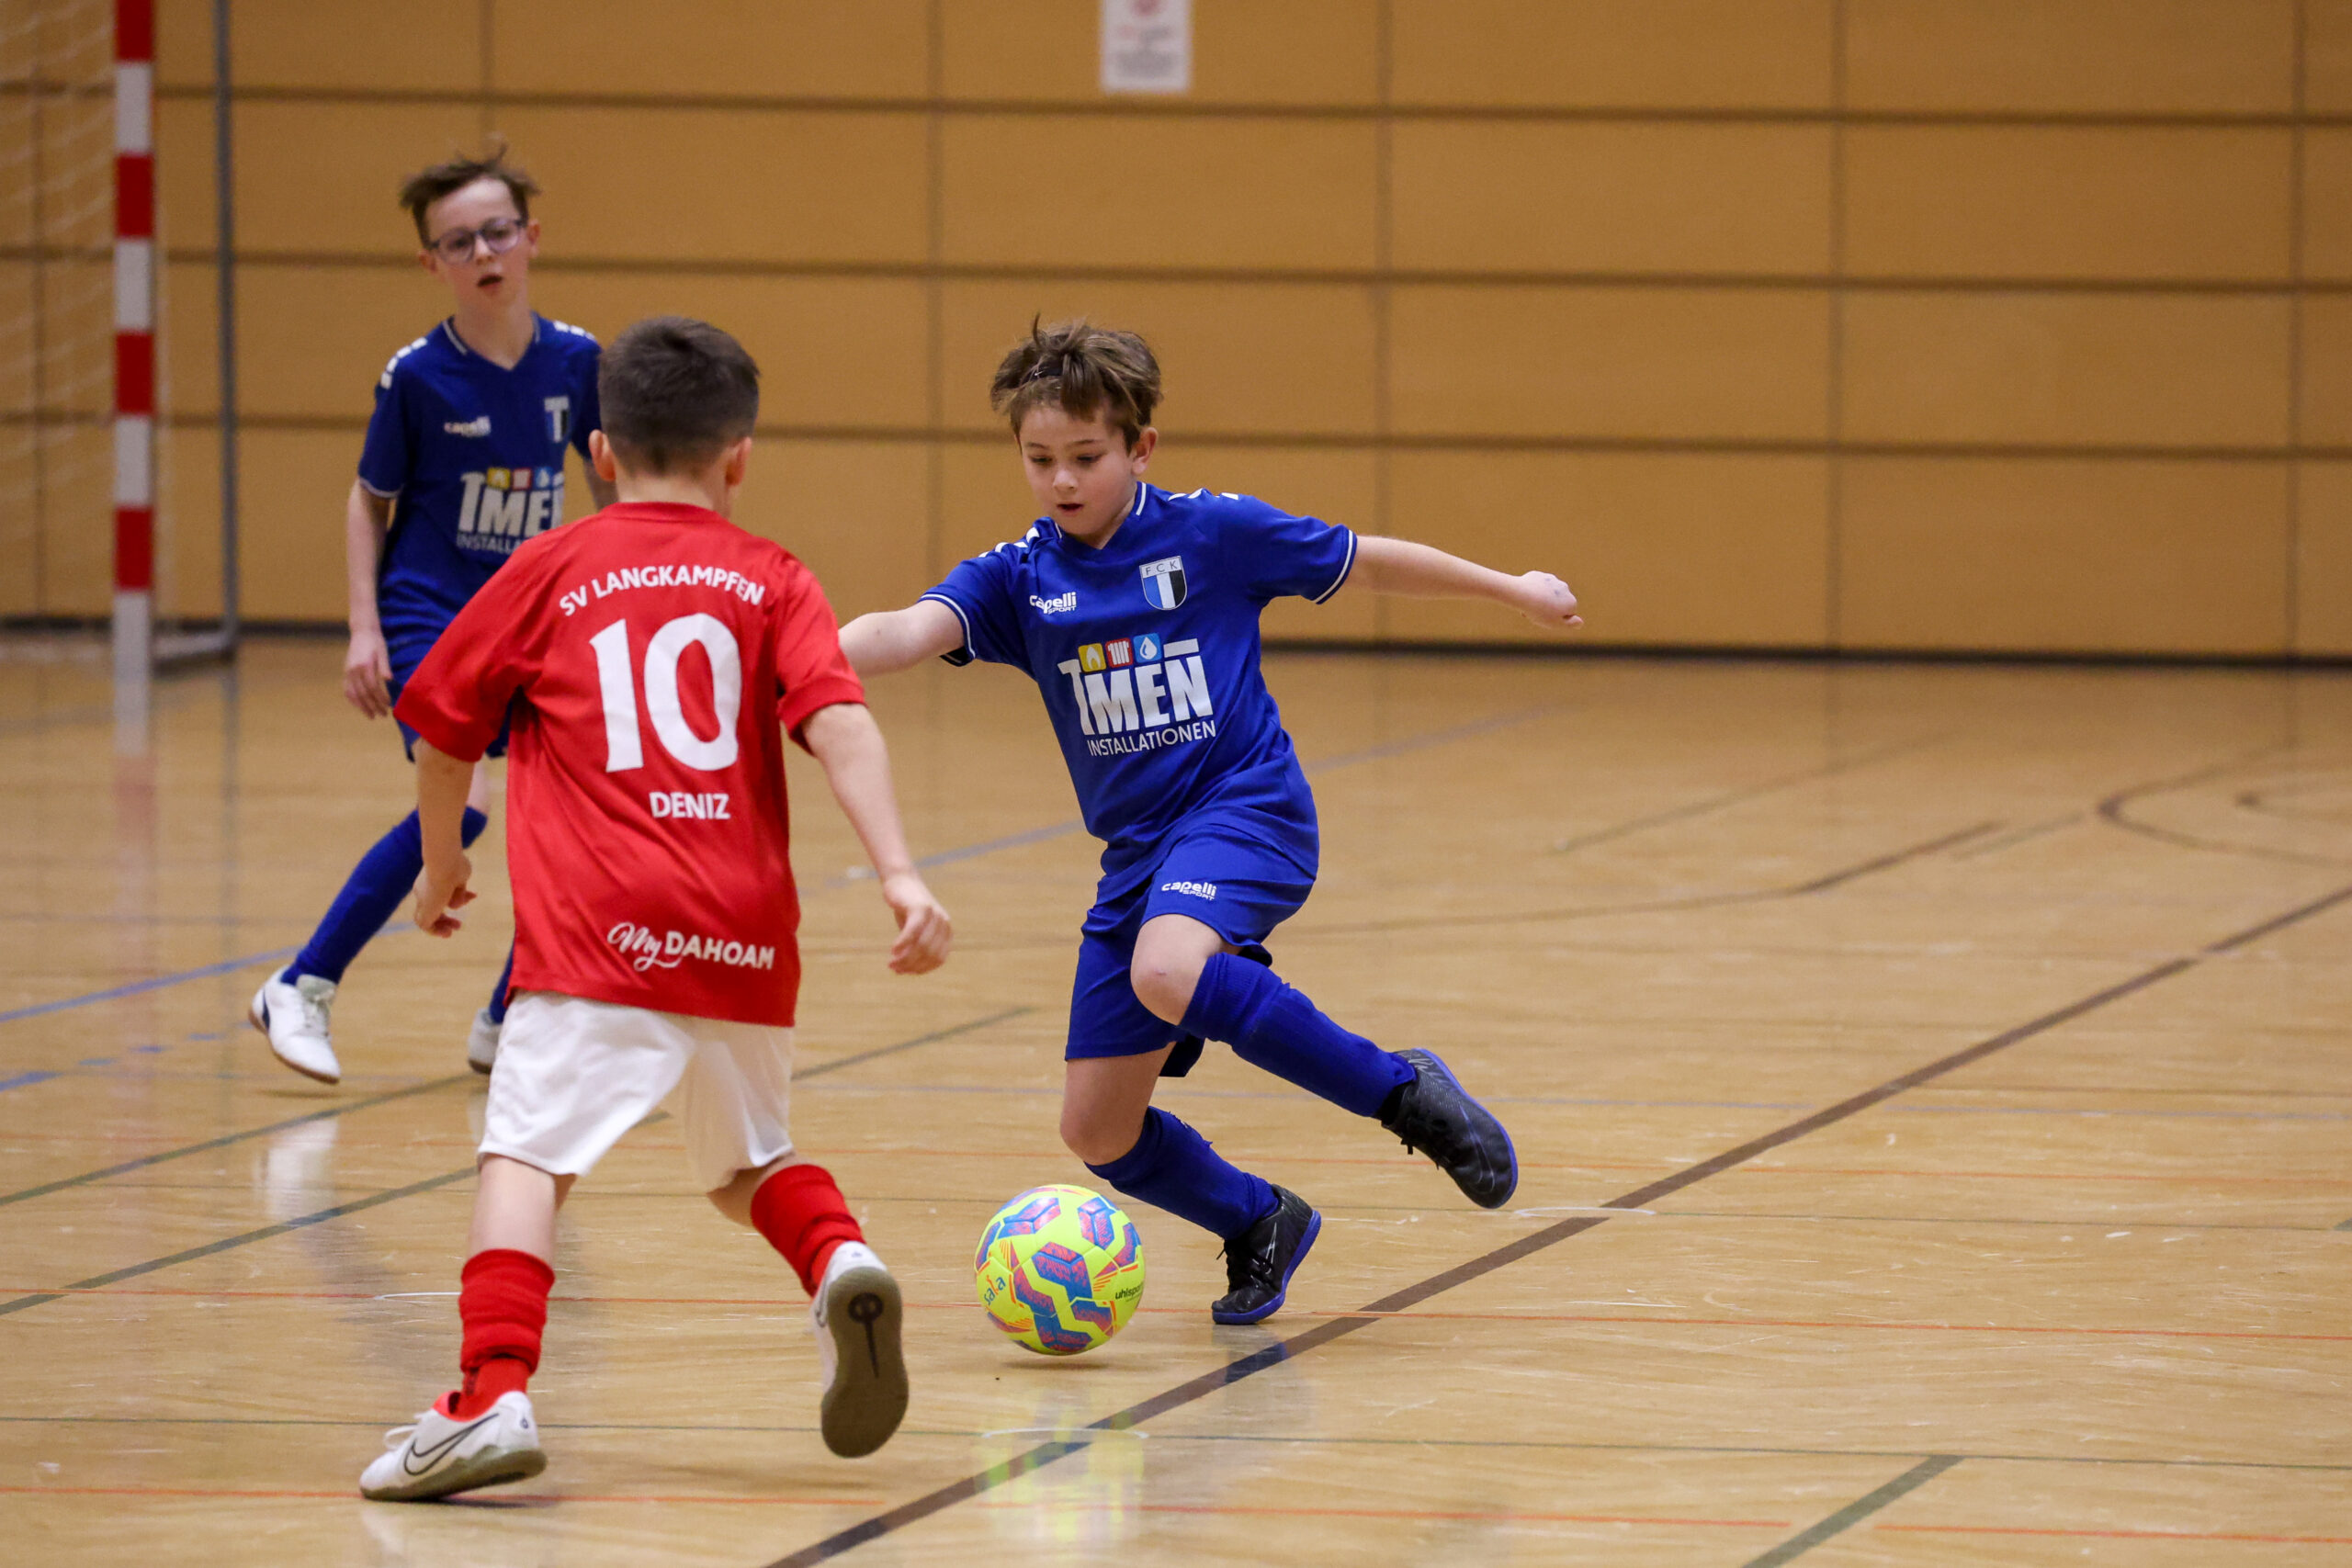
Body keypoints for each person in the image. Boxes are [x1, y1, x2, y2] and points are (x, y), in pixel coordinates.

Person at [839, 320, 1582, 1325]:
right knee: (1098, 1131)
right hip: (1138, 859)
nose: (1062, 479)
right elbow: (901, 632)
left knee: (1167, 969)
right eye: (1040, 459)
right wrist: (796, 655)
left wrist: (1513, 590)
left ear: (1141, 448)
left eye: (1086, 456)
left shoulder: (1213, 534)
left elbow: (1367, 560)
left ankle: (1402, 1093)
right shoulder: (1018, 578)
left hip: (1246, 809)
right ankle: (1258, 1218)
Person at [358, 316, 951, 1501]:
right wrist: (898, 871)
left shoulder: (549, 568)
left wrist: (440, 865)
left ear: (600, 450)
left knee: (525, 1157)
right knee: (747, 1165)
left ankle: (488, 1393)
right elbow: (839, 720)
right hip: (744, 933)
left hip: (597, 934)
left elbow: (443, 737)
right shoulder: (774, 576)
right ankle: (840, 1258)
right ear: (741, 456)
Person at [250, 147, 614, 1084]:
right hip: (431, 613)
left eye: (498, 232)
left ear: (531, 238)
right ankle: (301, 984)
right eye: (459, 242)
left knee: (588, 810)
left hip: (530, 618)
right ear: (432, 263)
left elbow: (612, 483)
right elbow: (368, 499)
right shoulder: (416, 376)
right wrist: (363, 629)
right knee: (471, 803)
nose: (483, 252)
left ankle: (509, 1017)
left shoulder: (577, 361)